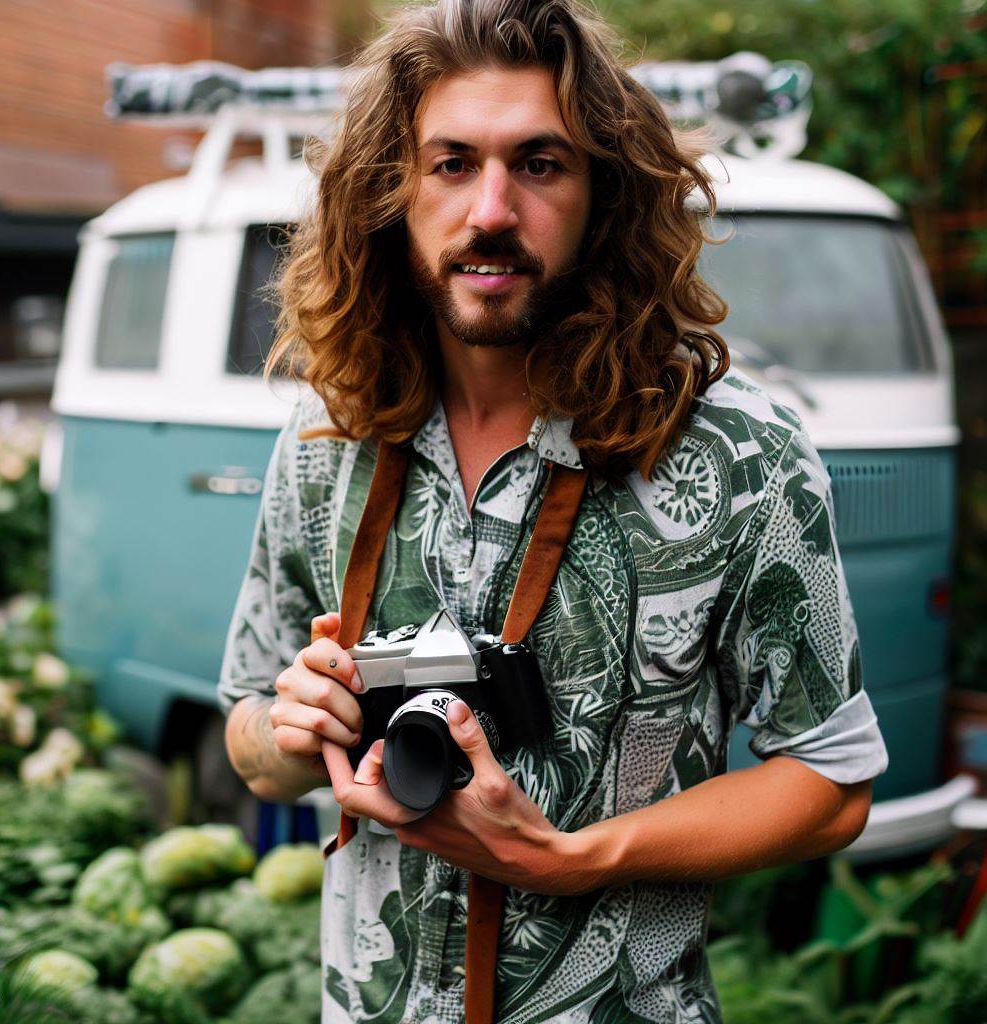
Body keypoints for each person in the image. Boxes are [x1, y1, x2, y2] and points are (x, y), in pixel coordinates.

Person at [219, 0, 889, 1020]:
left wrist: (575, 857)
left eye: (539, 163)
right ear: (389, 195)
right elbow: (249, 738)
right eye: (450, 164)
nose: (491, 209)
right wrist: (291, 727)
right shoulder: (326, 434)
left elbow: (832, 782)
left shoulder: (738, 453)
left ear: (601, 195)